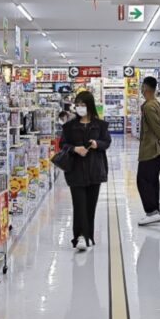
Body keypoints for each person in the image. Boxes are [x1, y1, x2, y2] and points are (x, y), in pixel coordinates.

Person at [59, 90, 111, 251]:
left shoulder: (100, 125)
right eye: (78, 105)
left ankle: (88, 236)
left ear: (90, 106)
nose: (80, 108)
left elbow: (107, 142)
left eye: (83, 105)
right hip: (76, 170)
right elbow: (63, 144)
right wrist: (75, 149)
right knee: (79, 204)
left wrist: (97, 144)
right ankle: (80, 236)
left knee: (90, 206)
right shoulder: (69, 126)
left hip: (95, 169)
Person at [136, 76, 160, 225]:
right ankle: (156, 211)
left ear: (145, 88)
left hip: (151, 150)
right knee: (152, 180)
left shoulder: (148, 106)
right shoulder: (159, 105)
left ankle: (151, 211)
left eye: (142, 86)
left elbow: (159, 128)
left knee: (142, 180)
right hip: (158, 151)